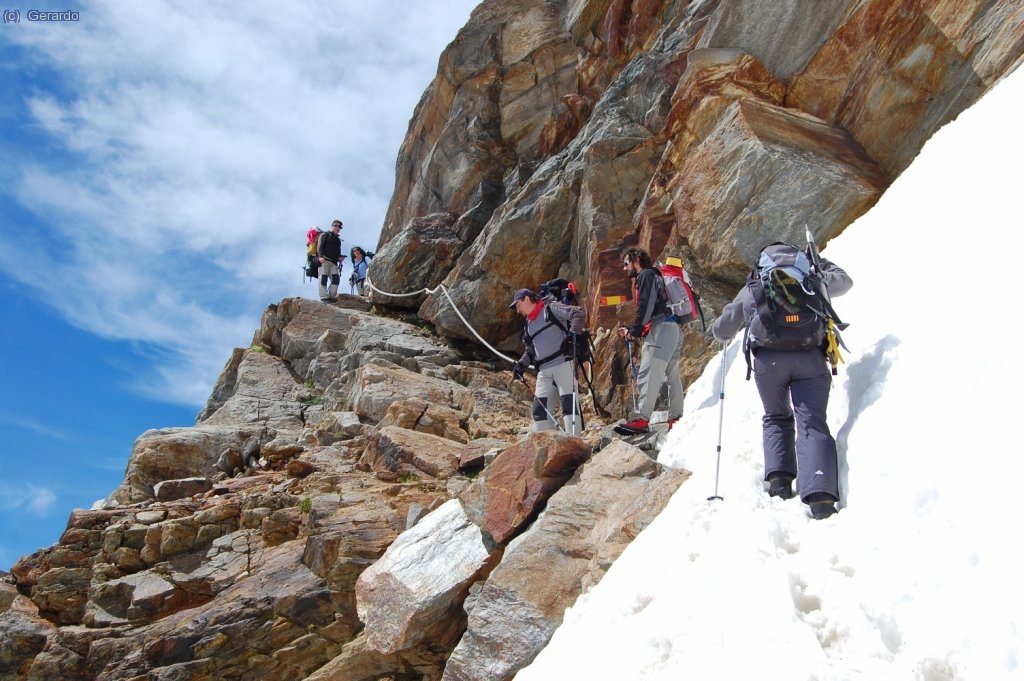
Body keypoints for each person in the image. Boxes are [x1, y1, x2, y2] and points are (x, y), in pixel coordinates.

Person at [711, 242, 852, 519]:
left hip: (769, 362)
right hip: (810, 357)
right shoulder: (811, 277)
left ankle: (780, 481)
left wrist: (722, 331)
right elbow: (845, 282)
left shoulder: (757, 283)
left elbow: (724, 327)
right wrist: (819, 263)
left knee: (776, 416)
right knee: (812, 422)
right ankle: (821, 497)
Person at [615, 247, 684, 435]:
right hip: (673, 329)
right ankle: (676, 418)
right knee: (672, 376)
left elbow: (646, 306)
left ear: (637, 259)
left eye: (626, 263)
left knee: (648, 374)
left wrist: (634, 331)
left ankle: (642, 419)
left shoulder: (645, 275)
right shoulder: (656, 275)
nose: (624, 268)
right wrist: (634, 329)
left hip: (660, 331)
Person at [510, 288, 586, 436]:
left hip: (564, 364)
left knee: (569, 405)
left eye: (518, 305)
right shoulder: (528, 324)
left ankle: (575, 444)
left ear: (526, 299)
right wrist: (521, 364)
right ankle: (550, 446)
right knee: (539, 411)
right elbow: (531, 350)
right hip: (544, 371)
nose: (518, 311)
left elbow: (578, 313)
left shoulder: (551, 308)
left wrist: (573, 333)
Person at [317, 219, 345, 301]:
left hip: (333, 263)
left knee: (336, 279)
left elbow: (337, 253)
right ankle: (323, 296)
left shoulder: (338, 240)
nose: (337, 228)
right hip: (324, 260)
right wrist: (320, 256)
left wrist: (340, 258)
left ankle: (332, 296)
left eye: (339, 227)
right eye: (335, 226)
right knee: (323, 278)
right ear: (332, 226)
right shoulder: (325, 234)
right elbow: (319, 246)